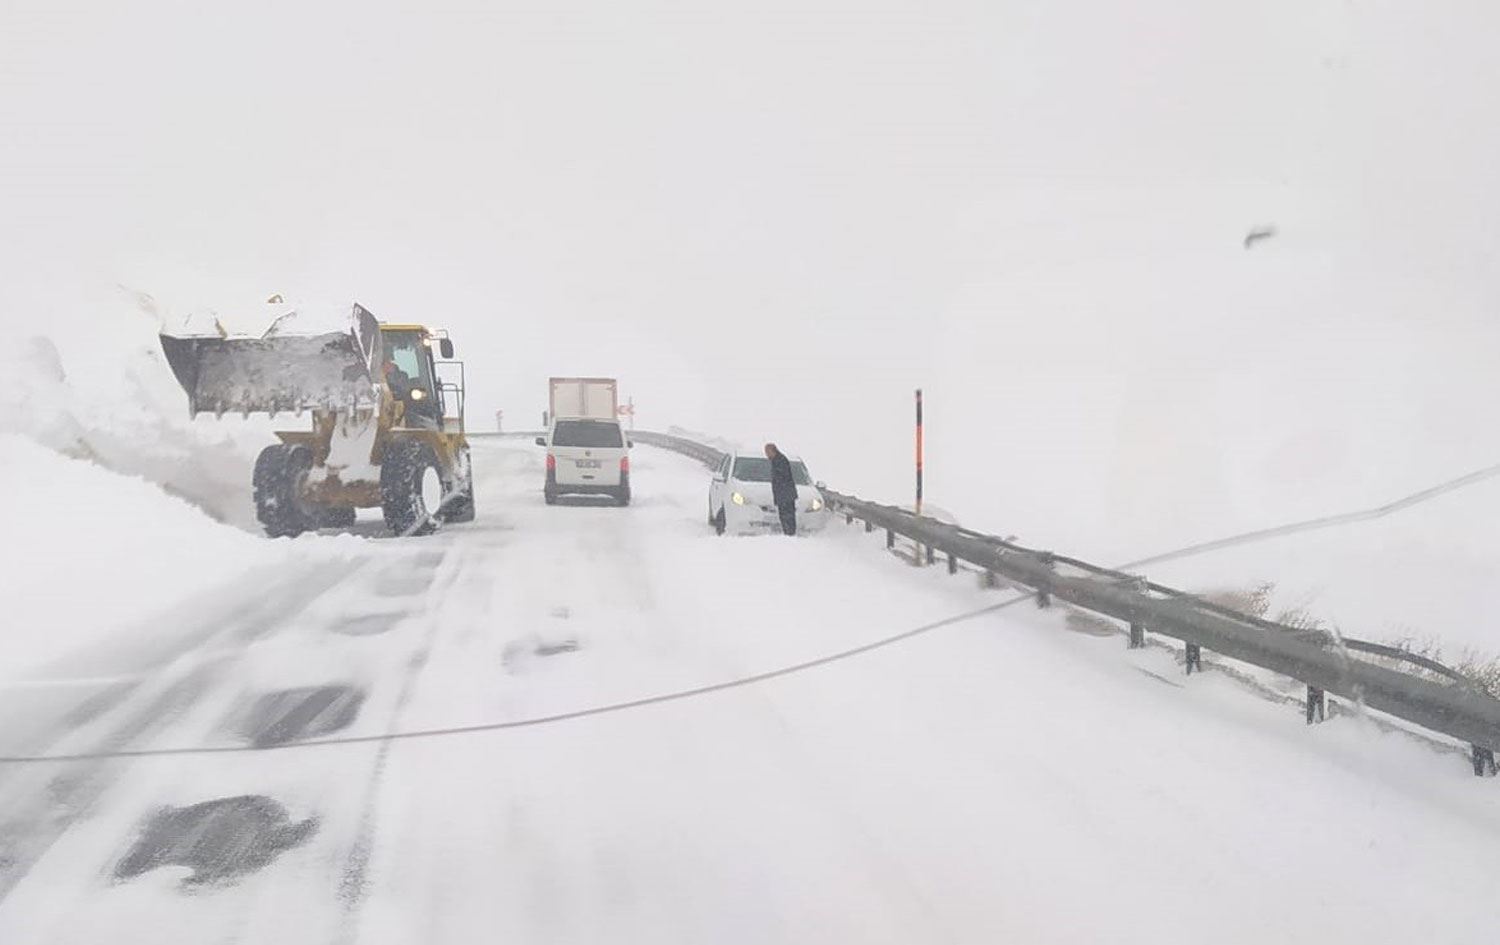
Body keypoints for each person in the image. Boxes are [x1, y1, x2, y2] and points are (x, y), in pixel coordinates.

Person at [765, 442, 798, 536]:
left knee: (787, 515)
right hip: (782, 493)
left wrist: (779, 486)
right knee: (783, 515)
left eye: (767, 451)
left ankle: (790, 533)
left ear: (773, 450)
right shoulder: (775, 460)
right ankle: (787, 532)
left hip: (786, 493)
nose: (766, 454)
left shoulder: (780, 460)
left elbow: (783, 476)